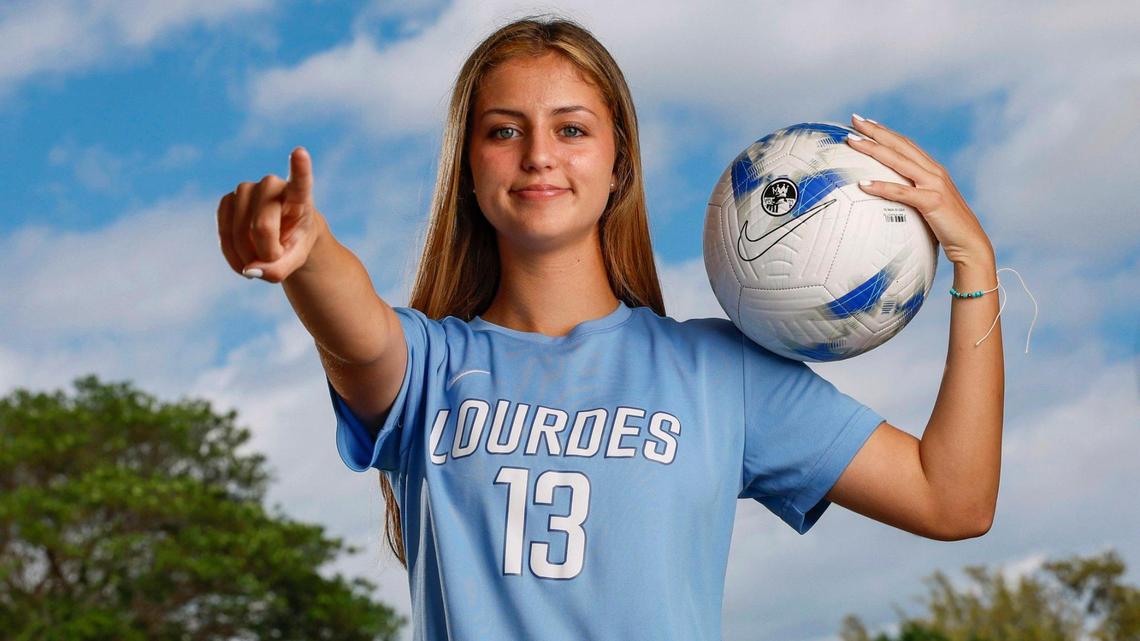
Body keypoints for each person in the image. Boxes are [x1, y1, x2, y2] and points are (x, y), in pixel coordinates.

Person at [216, 14, 1004, 641]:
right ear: (468, 165)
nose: (536, 156)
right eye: (502, 130)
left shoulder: (717, 371)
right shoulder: (427, 368)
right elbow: (356, 325)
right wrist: (307, 248)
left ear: (619, 160)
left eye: (571, 129)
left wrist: (974, 261)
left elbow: (952, 499)